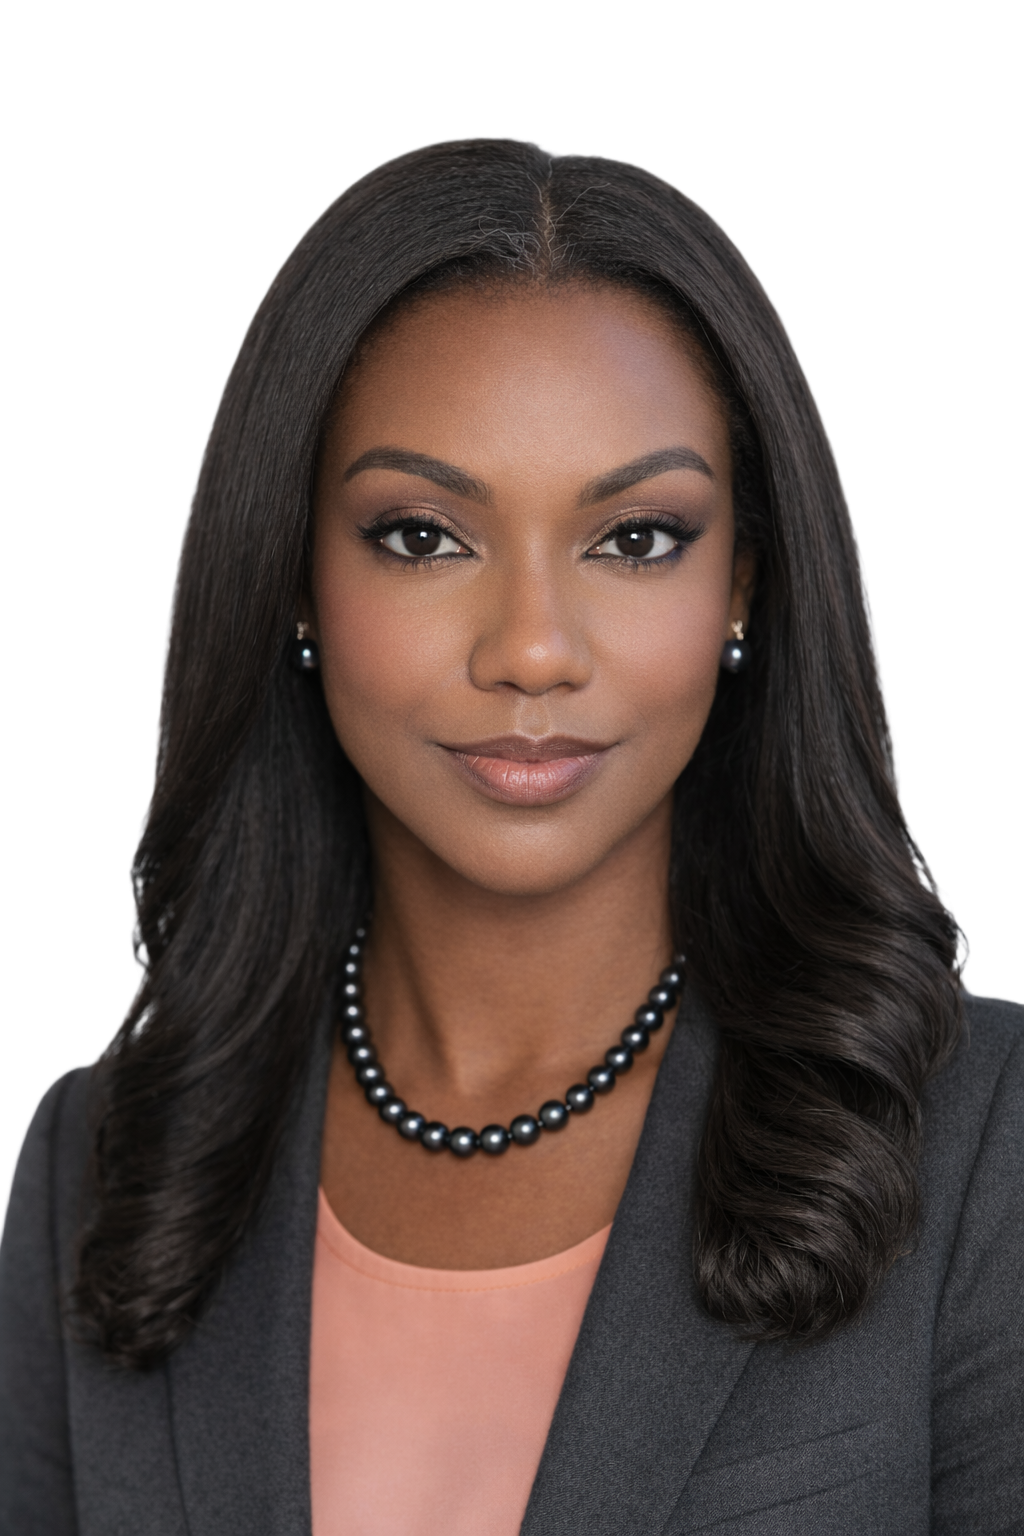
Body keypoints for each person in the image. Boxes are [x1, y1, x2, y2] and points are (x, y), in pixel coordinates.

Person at [1, 138, 1020, 1536]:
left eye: (636, 538)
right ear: (295, 578)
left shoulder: (986, 1143)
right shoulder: (101, 1168)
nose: (533, 650)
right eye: (424, 537)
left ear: (745, 581)